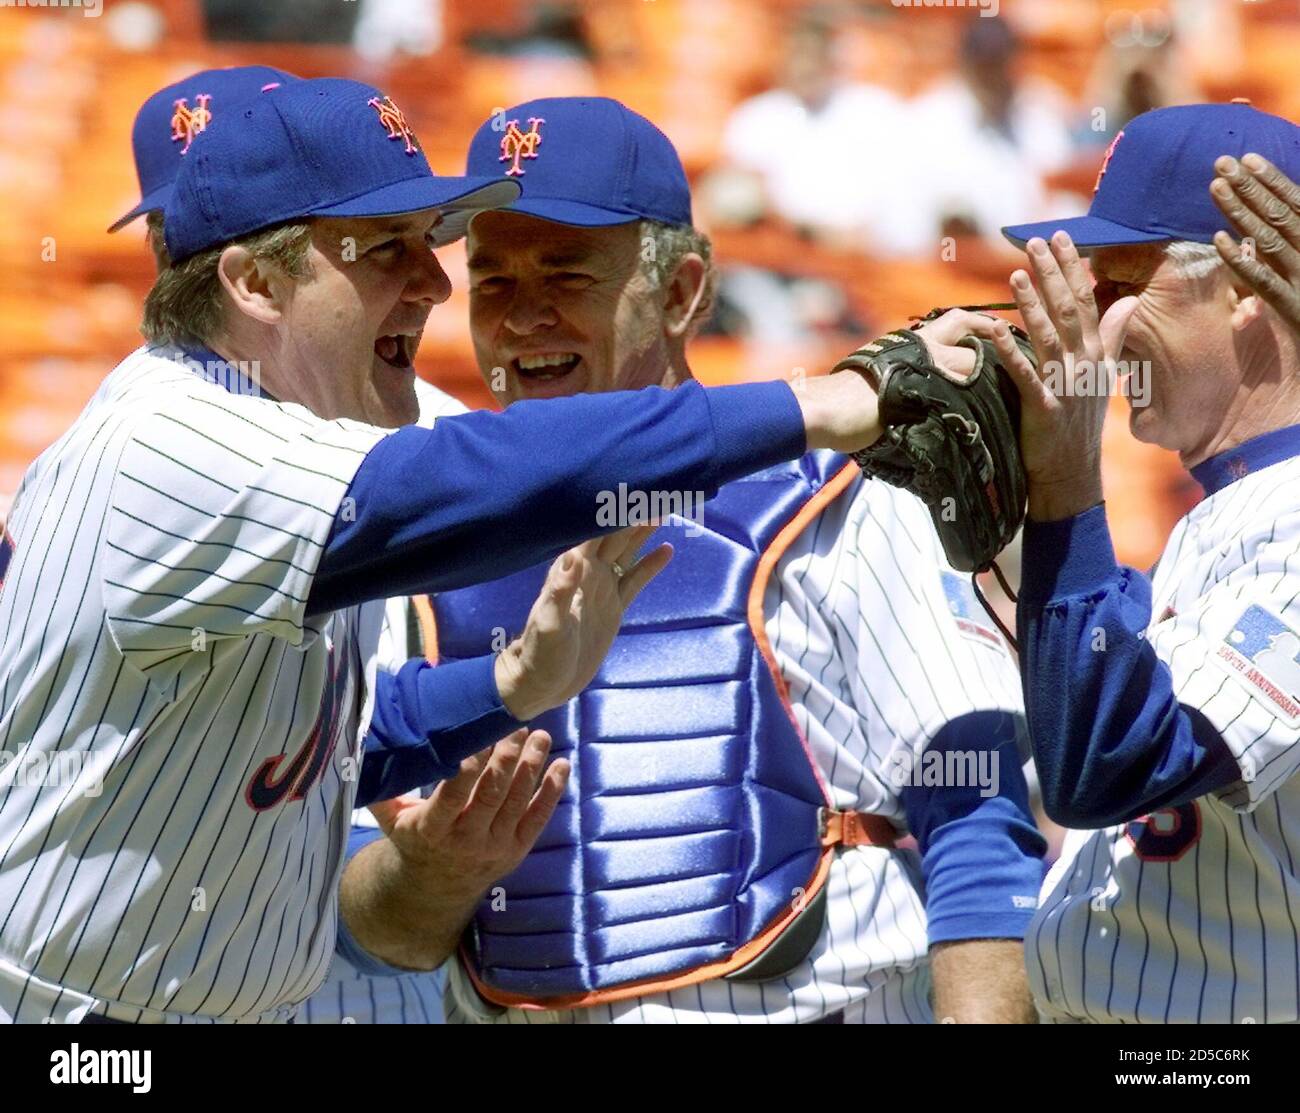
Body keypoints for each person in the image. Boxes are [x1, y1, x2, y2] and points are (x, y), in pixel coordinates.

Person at [0, 77, 891, 1024]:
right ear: (255, 284)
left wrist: (508, 686)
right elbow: (475, 470)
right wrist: (813, 405)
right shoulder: (176, 444)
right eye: (385, 249)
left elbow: (323, 755)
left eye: (427, 243)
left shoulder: (276, 441)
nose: (434, 280)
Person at [316, 96, 1046, 1026]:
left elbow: (974, 804)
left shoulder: (833, 497)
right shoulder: (423, 546)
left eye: (567, 273)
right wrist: (430, 874)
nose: (524, 317)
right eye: (494, 282)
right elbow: (386, 932)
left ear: (680, 290)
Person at [925, 102, 1300, 1022]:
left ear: (1247, 281)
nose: (1093, 326)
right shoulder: (1224, 513)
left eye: (1122, 284)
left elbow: (1110, 765)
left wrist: (1064, 490)